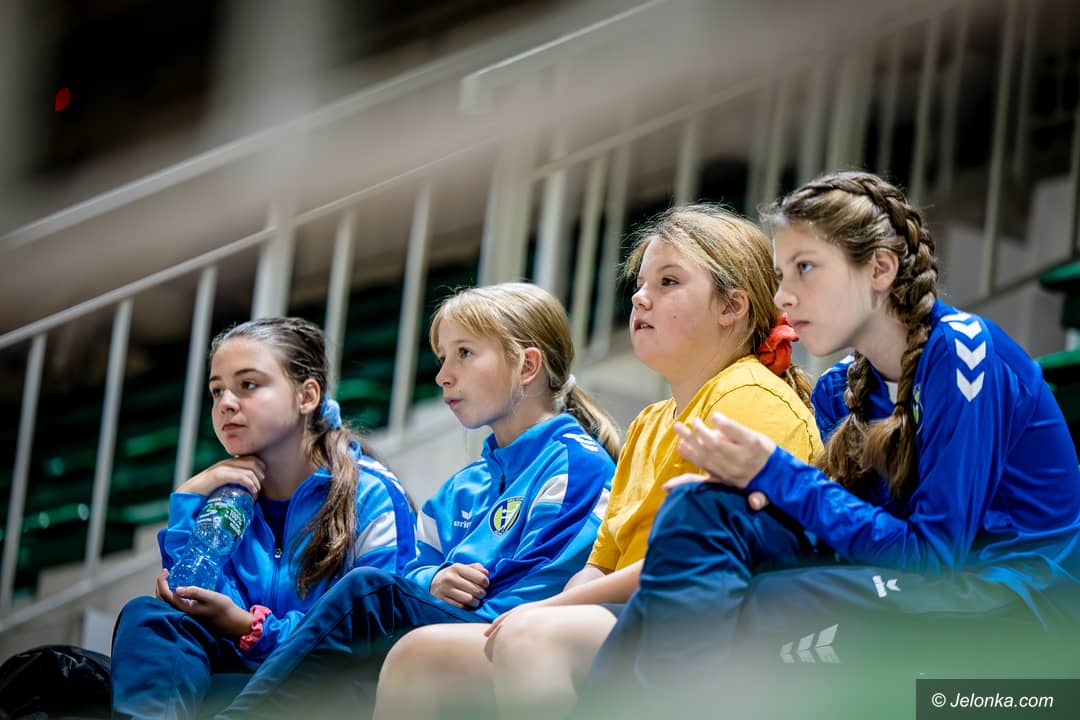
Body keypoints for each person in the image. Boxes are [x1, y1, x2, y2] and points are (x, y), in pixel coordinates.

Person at [584, 171, 1080, 715]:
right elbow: (847, 531)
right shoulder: (837, 389)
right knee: (702, 508)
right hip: (911, 584)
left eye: (806, 268)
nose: (783, 296)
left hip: (1016, 601)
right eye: (780, 274)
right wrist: (750, 496)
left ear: (879, 270)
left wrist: (777, 474)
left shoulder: (964, 353)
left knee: (765, 604)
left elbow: (934, 557)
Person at [374, 205, 824, 720]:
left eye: (668, 281)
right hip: (639, 614)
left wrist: (546, 610)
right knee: (418, 655)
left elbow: (690, 561)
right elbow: (600, 563)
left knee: (528, 638)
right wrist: (556, 606)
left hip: (721, 621)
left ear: (731, 306)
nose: (640, 296)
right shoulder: (650, 422)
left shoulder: (751, 397)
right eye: (641, 283)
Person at [215, 282, 619, 719]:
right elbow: (415, 568)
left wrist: (431, 596)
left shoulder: (576, 463)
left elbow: (541, 585)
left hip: (513, 631)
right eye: (442, 357)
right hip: (455, 625)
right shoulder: (462, 487)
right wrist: (434, 581)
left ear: (528, 366)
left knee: (369, 592)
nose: (443, 375)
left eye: (464, 353)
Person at [110, 317, 417, 720]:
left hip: (327, 688)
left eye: (248, 384)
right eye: (217, 390)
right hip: (240, 680)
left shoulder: (371, 493)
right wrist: (188, 498)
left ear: (307, 396)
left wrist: (248, 627)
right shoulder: (223, 496)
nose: (226, 403)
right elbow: (189, 597)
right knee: (149, 616)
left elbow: (377, 632)